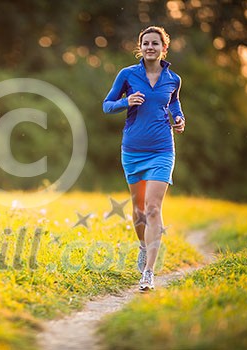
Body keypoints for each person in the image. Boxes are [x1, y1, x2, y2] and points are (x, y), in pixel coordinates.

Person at [102, 26, 186, 291]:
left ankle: (149, 272)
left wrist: (180, 118)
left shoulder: (174, 78)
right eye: (146, 43)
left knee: (152, 208)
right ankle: (143, 245)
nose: (151, 47)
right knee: (138, 212)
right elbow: (106, 105)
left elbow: (173, 103)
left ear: (164, 48)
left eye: (155, 43)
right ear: (140, 47)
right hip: (133, 150)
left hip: (162, 149)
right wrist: (126, 102)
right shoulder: (127, 75)